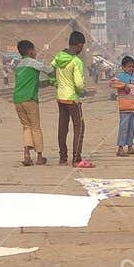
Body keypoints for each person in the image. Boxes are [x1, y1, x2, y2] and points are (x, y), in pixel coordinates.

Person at [51, 30, 91, 167]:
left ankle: (63, 158)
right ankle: (76, 158)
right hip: (72, 98)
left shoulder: (58, 57)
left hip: (60, 97)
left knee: (62, 127)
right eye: (82, 46)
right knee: (79, 127)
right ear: (79, 45)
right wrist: (82, 91)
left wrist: (56, 83)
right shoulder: (76, 61)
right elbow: (79, 83)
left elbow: (51, 72)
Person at [11, 38, 51, 167]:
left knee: (26, 127)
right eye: (34, 50)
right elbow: (49, 70)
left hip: (18, 100)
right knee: (36, 127)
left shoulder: (18, 65)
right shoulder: (33, 63)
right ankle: (39, 156)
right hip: (30, 99)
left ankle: (27, 154)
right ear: (30, 51)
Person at [113, 54, 134, 156]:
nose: (131, 69)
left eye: (133, 67)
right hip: (124, 108)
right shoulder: (120, 77)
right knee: (124, 128)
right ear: (123, 67)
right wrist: (124, 85)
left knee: (132, 129)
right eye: (129, 66)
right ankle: (120, 148)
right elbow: (112, 83)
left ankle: (130, 147)